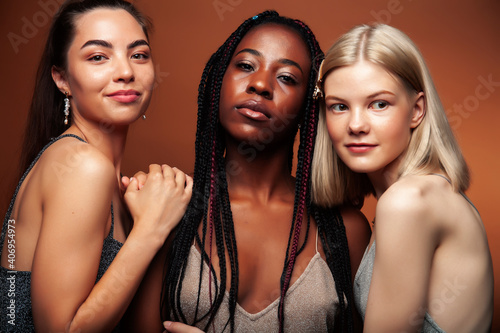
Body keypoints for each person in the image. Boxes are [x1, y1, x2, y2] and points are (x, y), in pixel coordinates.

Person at [126, 10, 370, 333]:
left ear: (308, 108)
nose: (260, 84)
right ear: (217, 81)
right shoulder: (167, 208)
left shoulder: (345, 230)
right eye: (245, 66)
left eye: (286, 77)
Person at [0, 0, 192, 332]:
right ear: (62, 79)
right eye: (98, 57)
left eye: (139, 54)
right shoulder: (82, 166)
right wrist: (152, 230)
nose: (126, 71)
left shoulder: (100, 175)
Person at [311, 23, 494, 332]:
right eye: (339, 106)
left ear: (416, 110)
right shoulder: (430, 192)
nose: (356, 124)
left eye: (378, 104)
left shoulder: (407, 202)